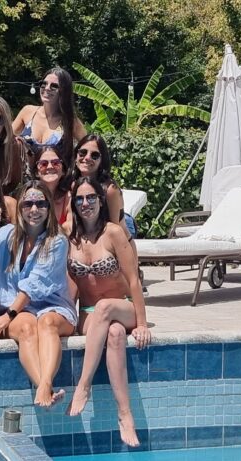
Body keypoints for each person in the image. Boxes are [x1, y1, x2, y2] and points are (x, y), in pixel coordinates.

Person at [64, 176, 150, 447]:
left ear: (101, 201)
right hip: (90, 314)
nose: (85, 203)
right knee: (114, 334)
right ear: (73, 204)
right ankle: (125, 414)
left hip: (122, 307)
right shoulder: (69, 235)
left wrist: (142, 323)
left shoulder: (113, 232)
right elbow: (69, 285)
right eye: (80, 199)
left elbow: (133, 279)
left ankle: (84, 385)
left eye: (91, 198)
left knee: (106, 308)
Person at [0, 181, 77, 407]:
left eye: (41, 204)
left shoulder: (57, 241)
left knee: (47, 322)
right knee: (28, 326)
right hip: (18, 311)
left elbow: (35, 283)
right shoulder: (5, 234)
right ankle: (45, 388)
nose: (34, 209)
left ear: (49, 207)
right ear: (20, 207)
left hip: (53, 307)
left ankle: (44, 385)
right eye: (28, 204)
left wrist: (8, 315)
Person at [12, 67, 87, 165]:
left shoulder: (70, 121)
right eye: (44, 84)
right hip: (26, 175)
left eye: (54, 86)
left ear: (64, 91)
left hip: (57, 174)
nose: (47, 88)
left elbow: (89, 148)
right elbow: (6, 140)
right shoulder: (27, 112)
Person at [71, 134, 135, 237]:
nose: (87, 158)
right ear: (75, 156)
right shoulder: (72, 185)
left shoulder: (109, 190)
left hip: (122, 227)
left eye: (95, 155)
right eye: (82, 152)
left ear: (101, 161)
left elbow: (116, 231)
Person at [33, 146, 72, 229]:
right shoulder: (29, 197)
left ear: (63, 171)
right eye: (43, 164)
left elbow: (71, 229)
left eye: (56, 163)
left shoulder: (69, 198)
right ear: (36, 172)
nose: (50, 166)